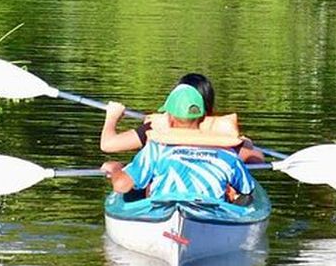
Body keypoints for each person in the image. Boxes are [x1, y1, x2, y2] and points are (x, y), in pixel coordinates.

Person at [101, 84, 256, 205]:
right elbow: (247, 189)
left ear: (170, 118)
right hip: (209, 214)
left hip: (163, 211)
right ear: (203, 118)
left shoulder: (156, 149)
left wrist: (116, 169)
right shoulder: (227, 153)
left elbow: (121, 186)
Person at [101, 72, 264, 162]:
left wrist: (112, 117)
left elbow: (108, 145)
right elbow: (257, 159)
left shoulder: (157, 127)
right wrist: (247, 144)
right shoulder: (220, 133)